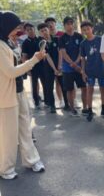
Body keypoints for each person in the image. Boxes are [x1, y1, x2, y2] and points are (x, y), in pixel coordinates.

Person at [0, 11, 45, 180]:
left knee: (26, 127)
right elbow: (10, 72)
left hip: (18, 91)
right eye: (15, 27)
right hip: (5, 96)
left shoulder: (9, 42)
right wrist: (33, 60)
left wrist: (33, 59)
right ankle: (5, 169)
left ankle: (32, 160)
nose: (18, 30)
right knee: (8, 135)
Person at [80, 21, 104, 122]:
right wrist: (83, 72)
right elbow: (83, 59)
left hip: (101, 69)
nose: (86, 31)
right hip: (90, 71)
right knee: (90, 90)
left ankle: (103, 109)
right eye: (84, 30)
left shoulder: (100, 39)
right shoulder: (83, 43)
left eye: (88, 29)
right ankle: (89, 110)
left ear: (92, 28)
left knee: (103, 89)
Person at [59, 16, 88, 116]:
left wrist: (76, 62)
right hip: (67, 69)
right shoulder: (62, 38)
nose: (70, 26)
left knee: (84, 88)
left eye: (71, 23)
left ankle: (85, 108)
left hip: (80, 67)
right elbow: (63, 53)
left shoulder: (79, 36)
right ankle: (72, 109)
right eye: (67, 24)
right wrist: (72, 63)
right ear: (64, 26)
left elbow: (81, 51)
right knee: (70, 89)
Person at [38, 23, 69, 113]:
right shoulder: (41, 43)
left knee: (63, 85)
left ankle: (67, 104)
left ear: (49, 30)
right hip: (48, 67)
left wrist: (59, 66)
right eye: (42, 31)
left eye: (45, 30)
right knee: (49, 87)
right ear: (40, 33)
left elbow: (60, 53)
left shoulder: (57, 39)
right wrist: (54, 69)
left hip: (59, 65)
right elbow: (47, 57)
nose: (44, 32)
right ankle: (52, 106)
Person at [22, 23, 47, 109]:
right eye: (27, 30)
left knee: (45, 83)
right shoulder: (25, 43)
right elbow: (24, 56)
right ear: (25, 32)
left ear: (34, 29)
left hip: (43, 66)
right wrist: (26, 68)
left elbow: (45, 52)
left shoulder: (41, 39)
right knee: (34, 84)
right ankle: (36, 101)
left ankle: (47, 101)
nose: (30, 31)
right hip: (32, 66)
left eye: (31, 29)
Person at [45, 17, 65, 108]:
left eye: (52, 23)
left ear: (55, 24)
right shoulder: (46, 39)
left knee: (68, 83)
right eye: (48, 24)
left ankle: (72, 100)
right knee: (57, 82)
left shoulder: (62, 34)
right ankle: (61, 101)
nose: (50, 25)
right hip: (53, 65)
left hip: (65, 62)